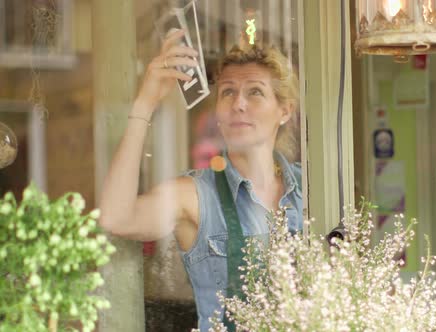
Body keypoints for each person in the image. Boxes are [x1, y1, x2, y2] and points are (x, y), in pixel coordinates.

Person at [98, 29, 303, 331]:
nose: (238, 104)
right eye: (228, 92)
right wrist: (145, 104)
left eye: (255, 91)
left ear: (284, 111)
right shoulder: (195, 194)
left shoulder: (310, 188)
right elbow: (116, 218)